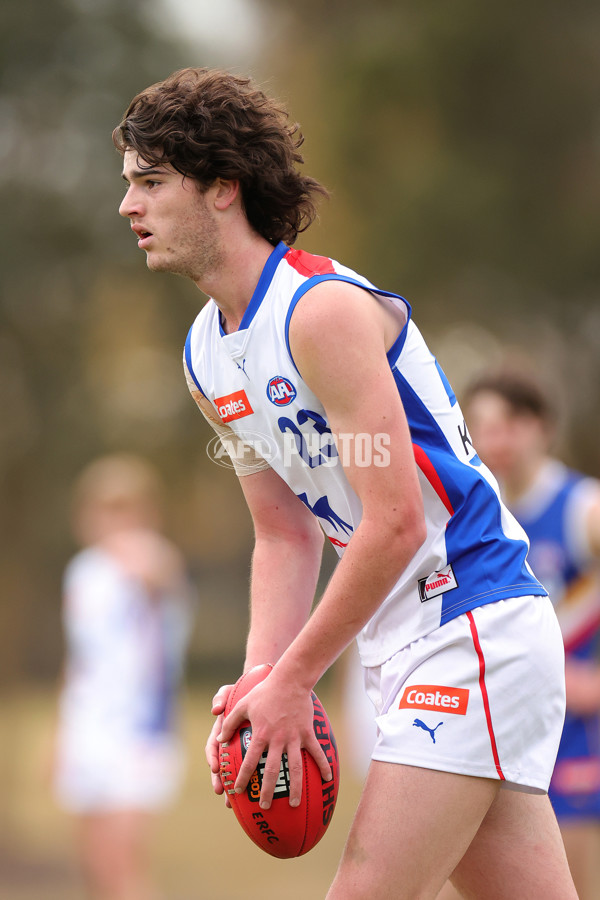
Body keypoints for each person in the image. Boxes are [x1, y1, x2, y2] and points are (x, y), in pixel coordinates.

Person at [113, 67, 577, 899]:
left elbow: (395, 522)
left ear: (223, 189)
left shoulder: (318, 314)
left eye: (151, 182)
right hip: (406, 636)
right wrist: (262, 681)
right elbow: (282, 531)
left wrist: (297, 678)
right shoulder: (205, 354)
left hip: (470, 618)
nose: (129, 207)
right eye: (129, 185)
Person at [462, 367, 600, 900]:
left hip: (573, 738)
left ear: (541, 427)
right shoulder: (474, 513)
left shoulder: (581, 508)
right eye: (482, 427)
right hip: (495, 731)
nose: (496, 441)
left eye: (509, 424)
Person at [53, 454, 193, 900]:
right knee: (93, 862)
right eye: (105, 508)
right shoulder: (83, 572)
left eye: (125, 508)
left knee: (123, 861)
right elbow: (79, 657)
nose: (115, 521)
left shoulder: (151, 560)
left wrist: (134, 550)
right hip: (87, 727)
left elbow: (162, 575)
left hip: (138, 731)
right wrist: (60, 732)